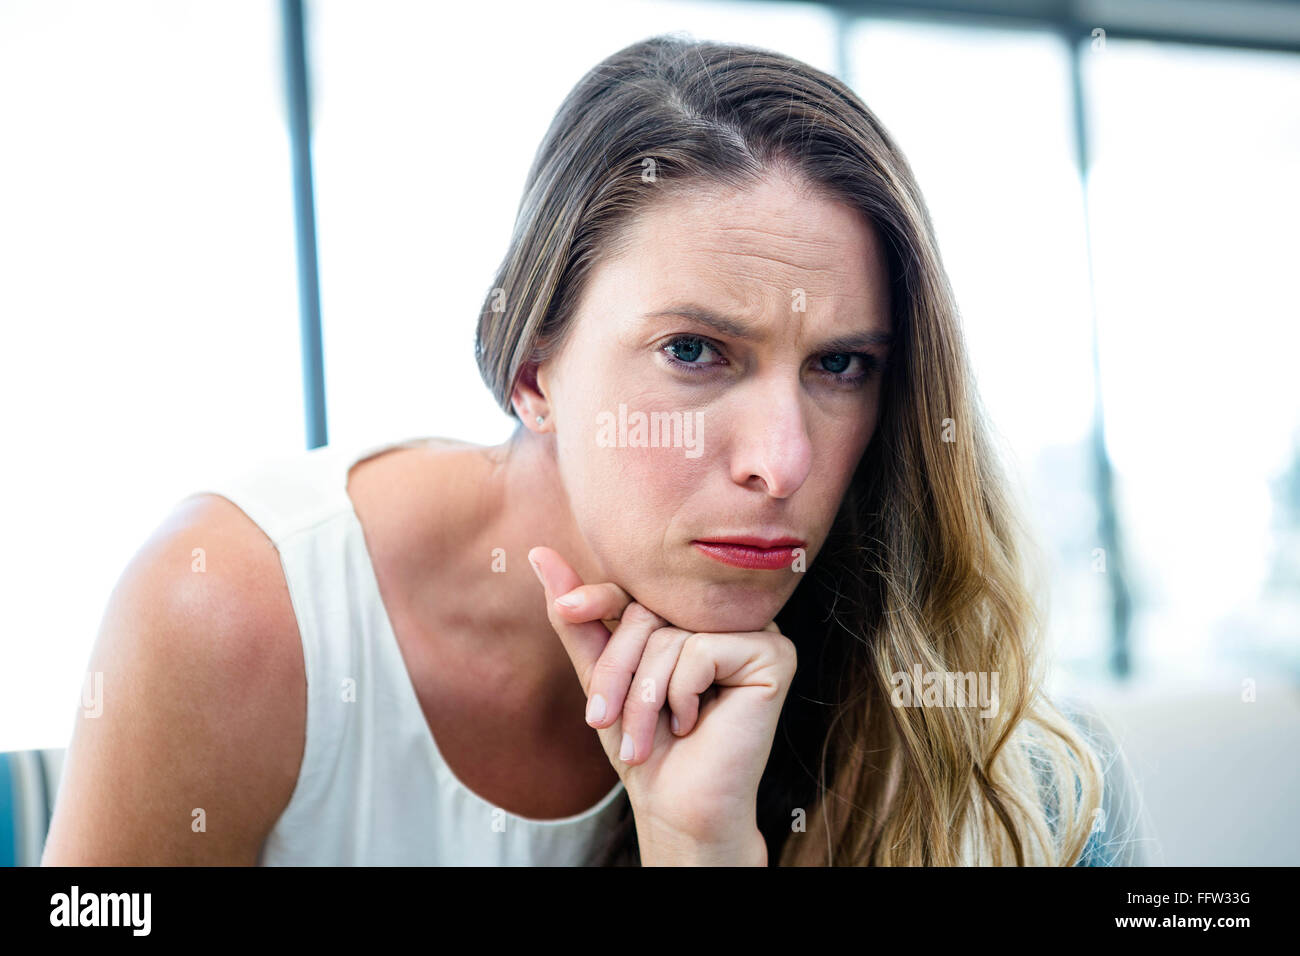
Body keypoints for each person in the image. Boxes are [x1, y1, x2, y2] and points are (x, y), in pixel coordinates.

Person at [41, 34, 1154, 866]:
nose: (784, 461)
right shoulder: (237, 609)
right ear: (532, 373)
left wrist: (698, 847)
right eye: (694, 350)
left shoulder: (993, 762)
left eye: (839, 365)